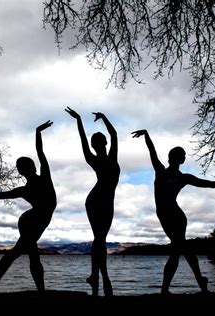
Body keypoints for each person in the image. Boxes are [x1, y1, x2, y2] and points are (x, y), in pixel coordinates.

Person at [131, 129, 215, 294]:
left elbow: (209, 183)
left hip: (176, 215)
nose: (183, 157)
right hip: (166, 214)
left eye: (183, 155)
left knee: (178, 249)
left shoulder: (184, 178)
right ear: (172, 158)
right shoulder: (160, 171)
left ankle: (169, 289)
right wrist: (146, 135)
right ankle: (198, 281)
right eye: (181, 154)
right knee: (181, 248)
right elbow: (152, 152)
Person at [0, 121, 56, 294]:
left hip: (33, 218)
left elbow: (40, 152)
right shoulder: (29, 187)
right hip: (31, 220)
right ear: (26, 170)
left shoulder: (40, 180)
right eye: (23, 168)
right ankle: (35, 290)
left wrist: (37, 132)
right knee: (29, 253)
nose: (25, 169)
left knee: (22, 252)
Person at [65, 107, 120, 297]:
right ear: (103, 143)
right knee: (100, 240)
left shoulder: (99, 158)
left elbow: (87, 139)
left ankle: (95, 276)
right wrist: (103, 117)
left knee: (99, 240)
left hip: (100, 200)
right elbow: (114, 134)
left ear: (97, 144)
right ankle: (102, 277)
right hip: (98, 201)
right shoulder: (107, 157)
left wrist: (79, 120)